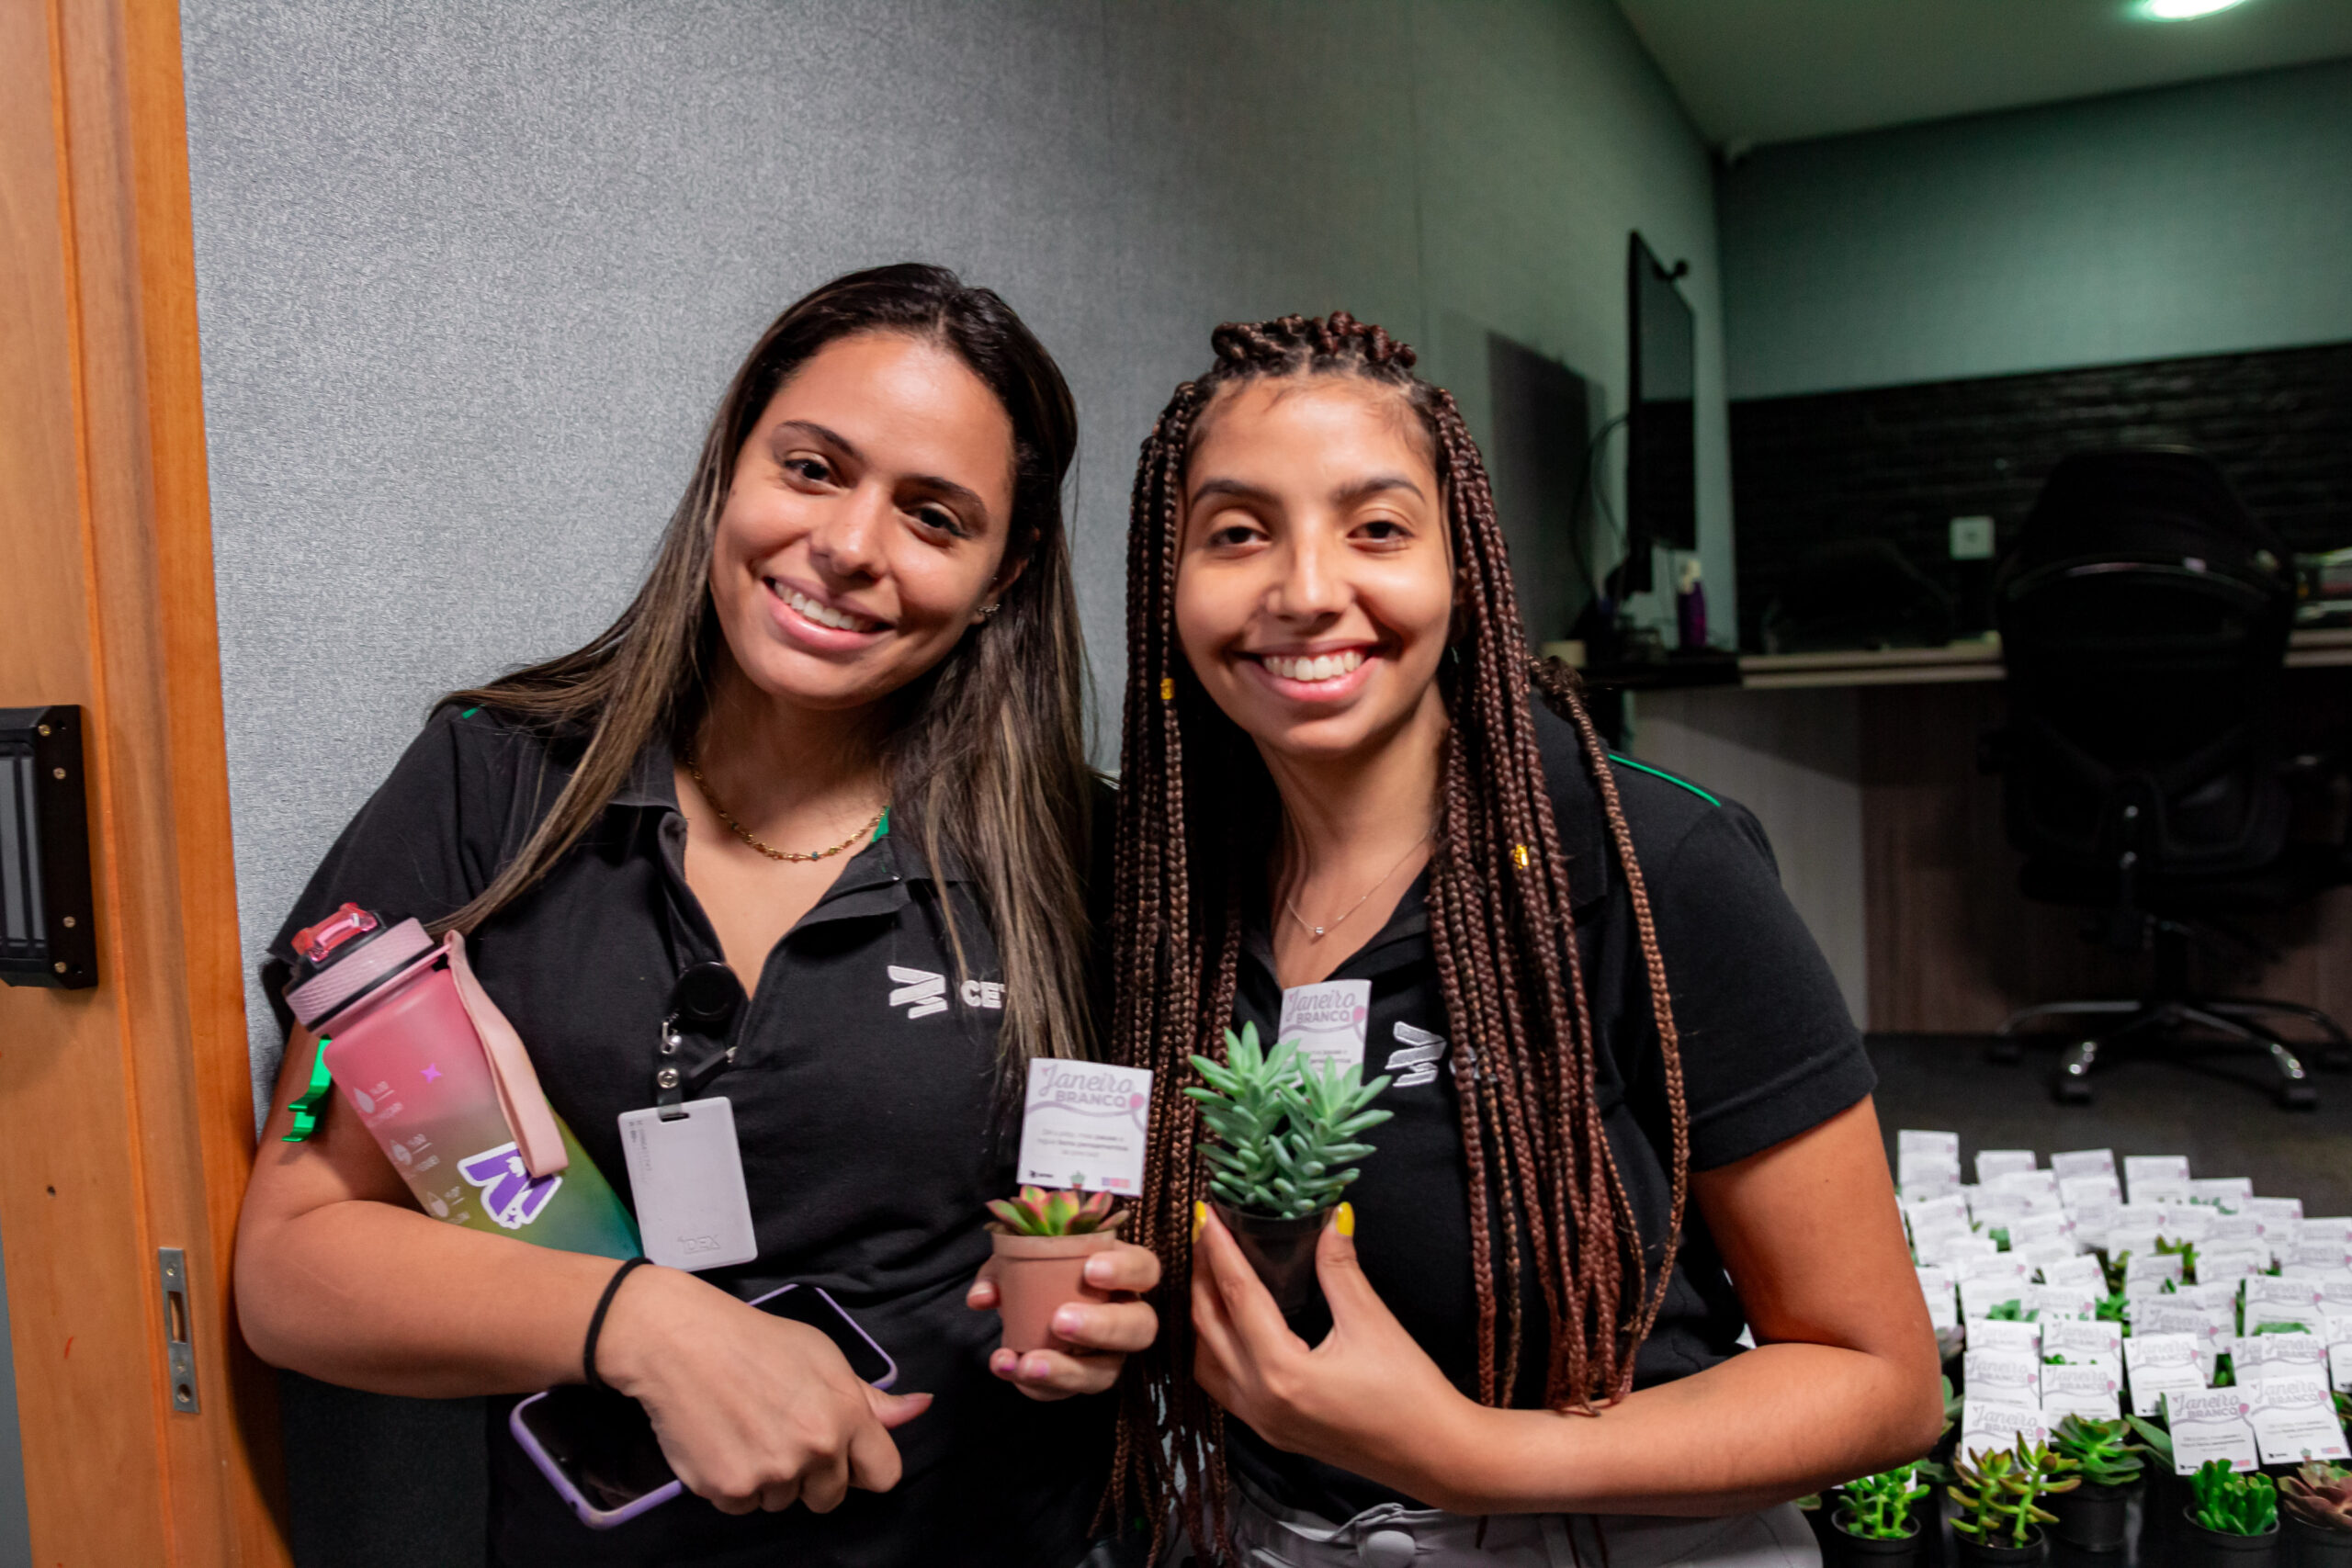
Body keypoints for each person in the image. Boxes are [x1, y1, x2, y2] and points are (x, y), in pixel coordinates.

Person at [234, 264, 1159, 1568]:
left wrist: (1118, 1308)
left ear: (1004, 577)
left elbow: (1125, 1213)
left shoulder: (1087, 852)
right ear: (731, 465)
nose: (849, 545)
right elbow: (293, 1270)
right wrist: (648, 1324)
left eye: (935, 517)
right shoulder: (494, 782)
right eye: (814, 467)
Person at [1103, 313, 1941, 1566]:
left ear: (1466, 568)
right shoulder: (1163, 889)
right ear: (1168, 586)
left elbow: (1883, 1382)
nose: (1307, 589)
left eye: (1377, 527)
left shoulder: (1655, 868)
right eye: (1237, 533)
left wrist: (1466, 1453)